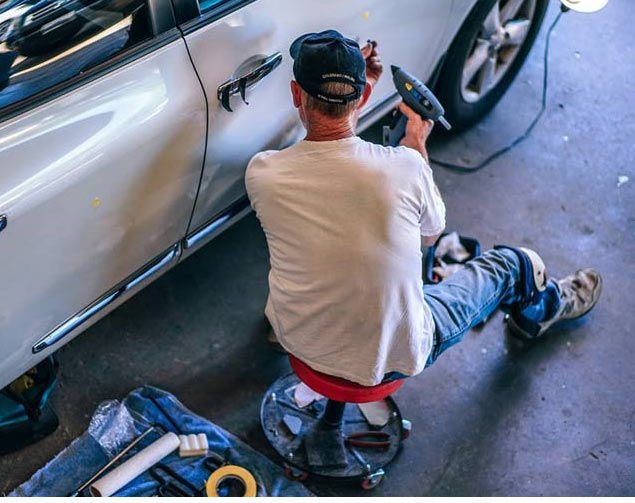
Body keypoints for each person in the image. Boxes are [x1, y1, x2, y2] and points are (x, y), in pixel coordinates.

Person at [245, 30, 602, 386]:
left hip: (298, 337)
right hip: (388, 359)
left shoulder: (263, 173)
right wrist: (415, 142)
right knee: (512, 264)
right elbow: (430, 237)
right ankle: (543, 310)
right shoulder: (405, 167)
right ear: (364, 96)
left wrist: (349, 104)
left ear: (296, 94)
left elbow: (326, 153)